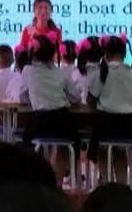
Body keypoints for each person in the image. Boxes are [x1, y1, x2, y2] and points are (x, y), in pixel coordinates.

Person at [86, 35, 132, 181]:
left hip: (105, 127)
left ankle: (107, 183)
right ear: (125, 54)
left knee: (102, 149)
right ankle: (122, 185)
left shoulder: (100, 74)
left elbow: (90, 100)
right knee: (120, 149)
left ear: (105, 54)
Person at [18, 32, 80, 181]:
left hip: (39, 120)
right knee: (65, 146)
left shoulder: (28, 71)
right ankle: (58, 182)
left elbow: (22, 96)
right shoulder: (61, 73)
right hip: (62, 119)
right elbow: (76, 98)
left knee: (31, 145)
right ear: (53, 53)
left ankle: (38, 181)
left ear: (32, 53)